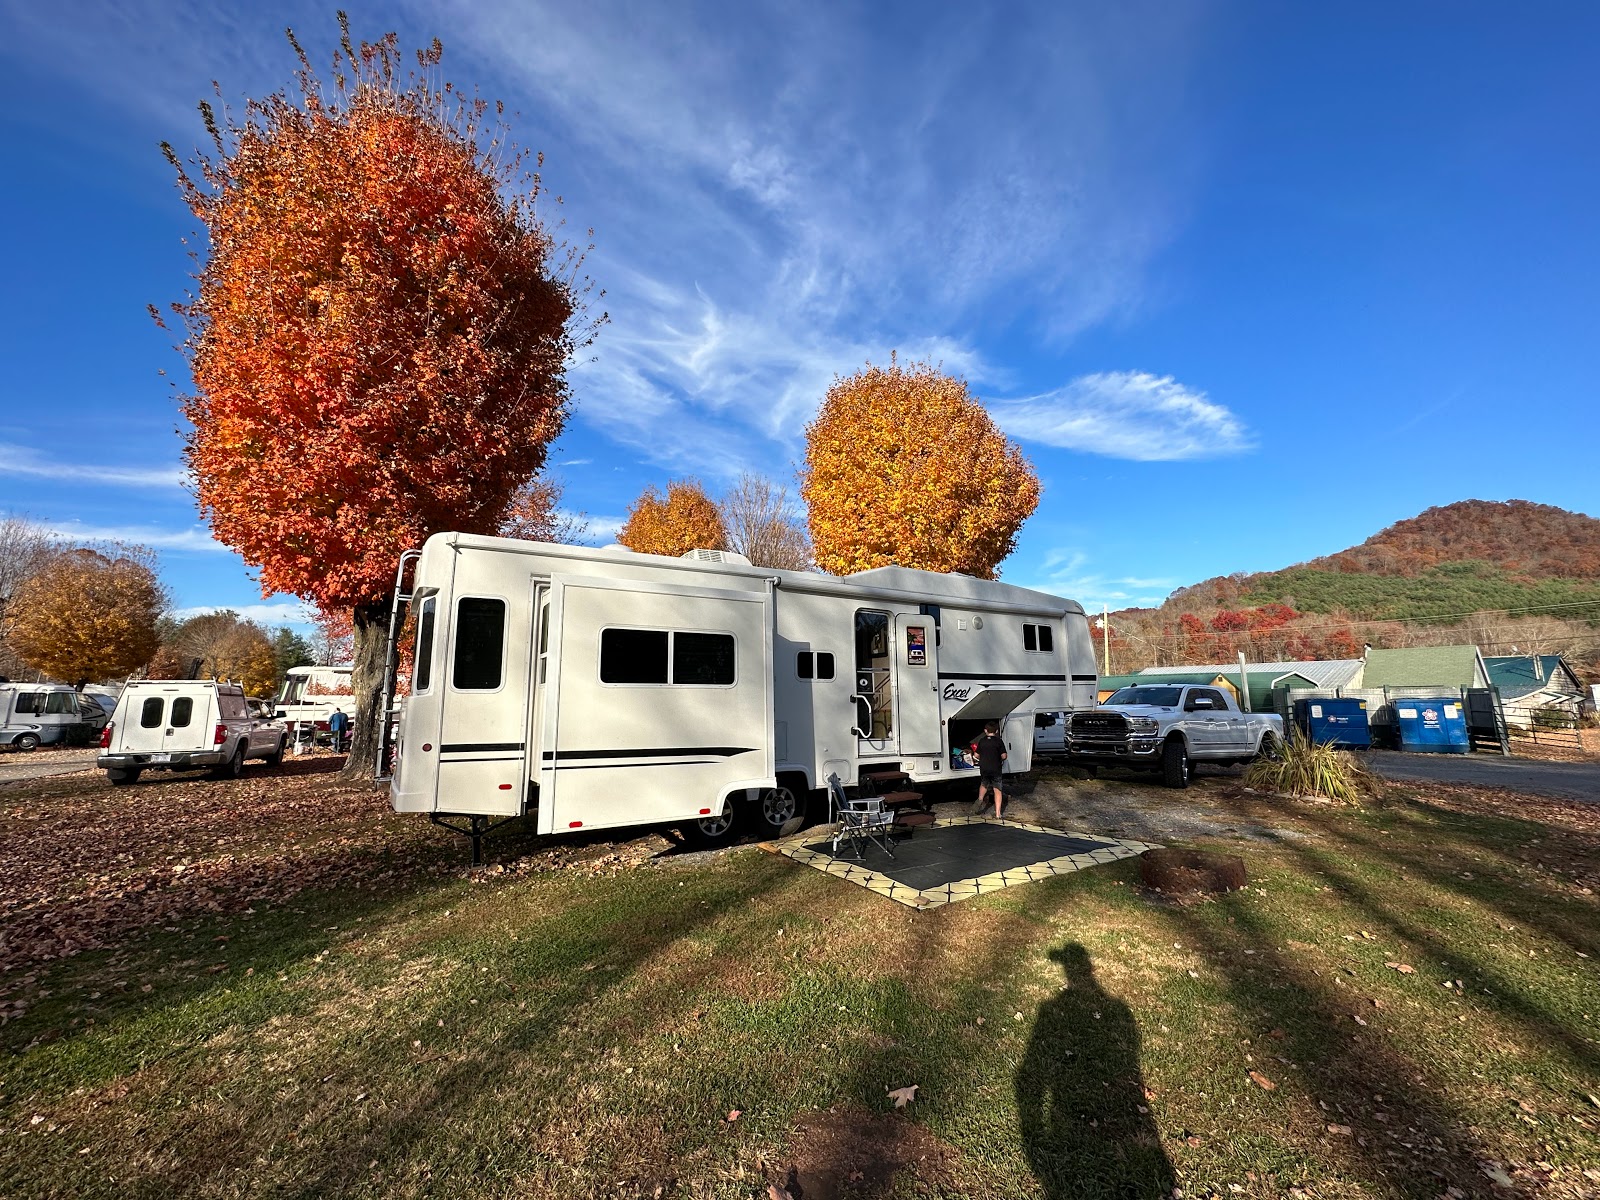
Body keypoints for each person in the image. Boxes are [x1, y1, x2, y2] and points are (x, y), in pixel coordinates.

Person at [970, 719, 1007, 817]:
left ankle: (980, 800)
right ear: (997, 731)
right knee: (997, 789)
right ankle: (998, 814)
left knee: (984, 784)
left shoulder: (982, 741)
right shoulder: (999, 741)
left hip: (985, 768)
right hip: (996, 769)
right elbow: (1004, 756)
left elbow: (976, 755)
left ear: (985, 731)